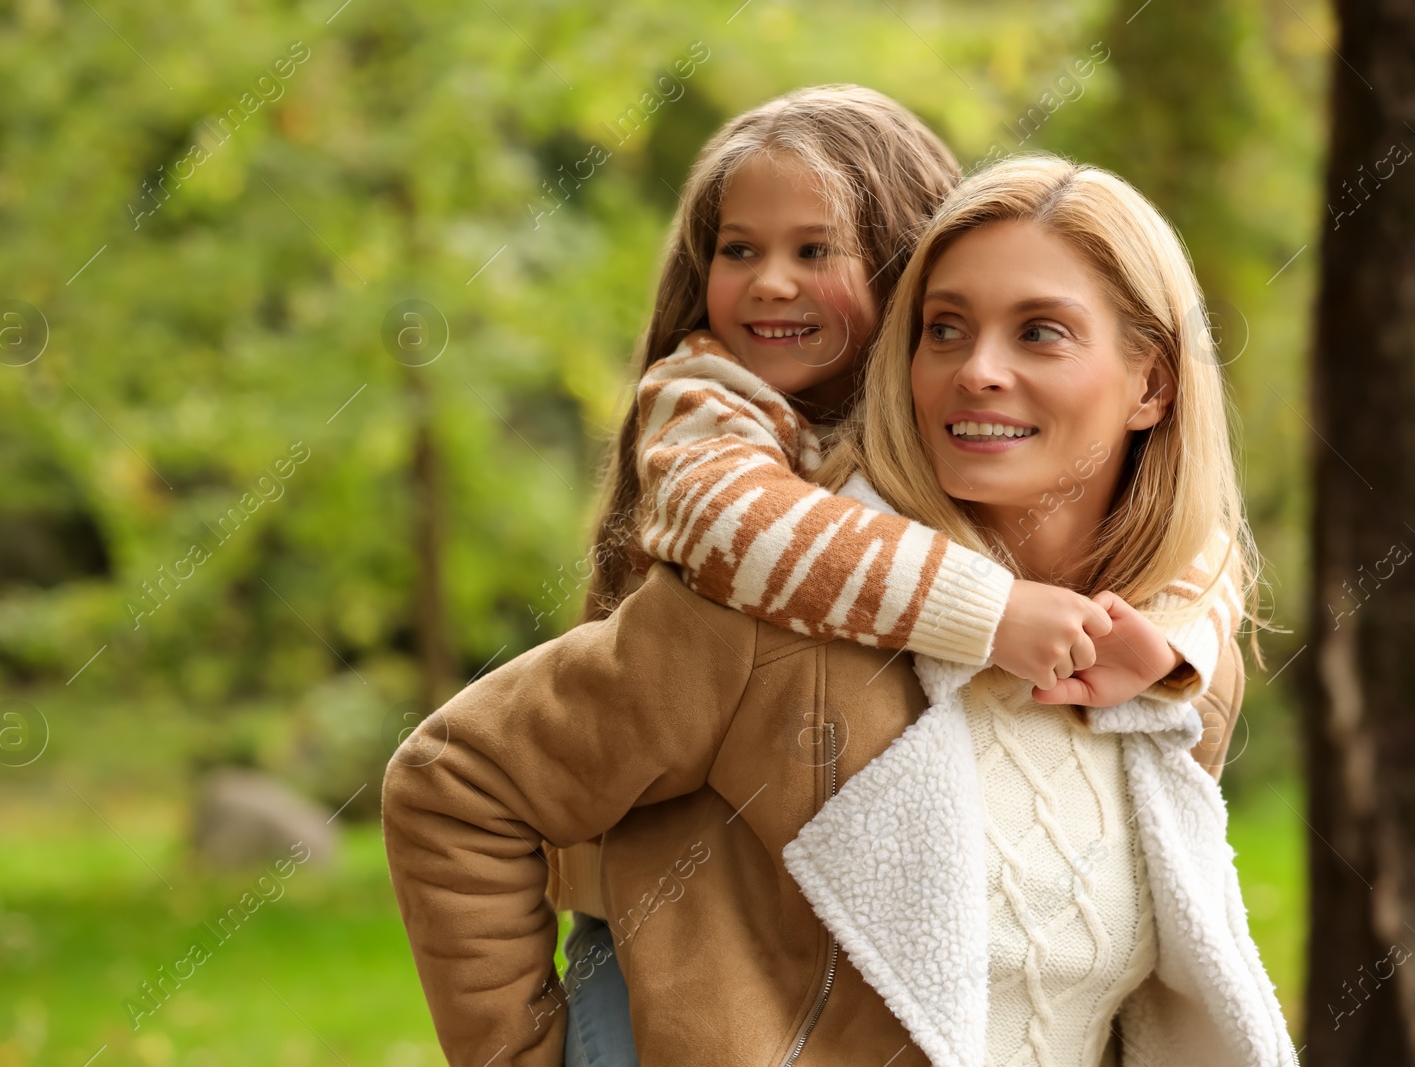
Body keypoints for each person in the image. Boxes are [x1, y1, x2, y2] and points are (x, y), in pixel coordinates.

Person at [382, 153, 1292, 1065]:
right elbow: (454, 783)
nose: (977, 370)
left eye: (1040, 332)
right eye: (944, 329)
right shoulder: (779, 610)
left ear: (1153, 386)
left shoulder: (1170, 665)